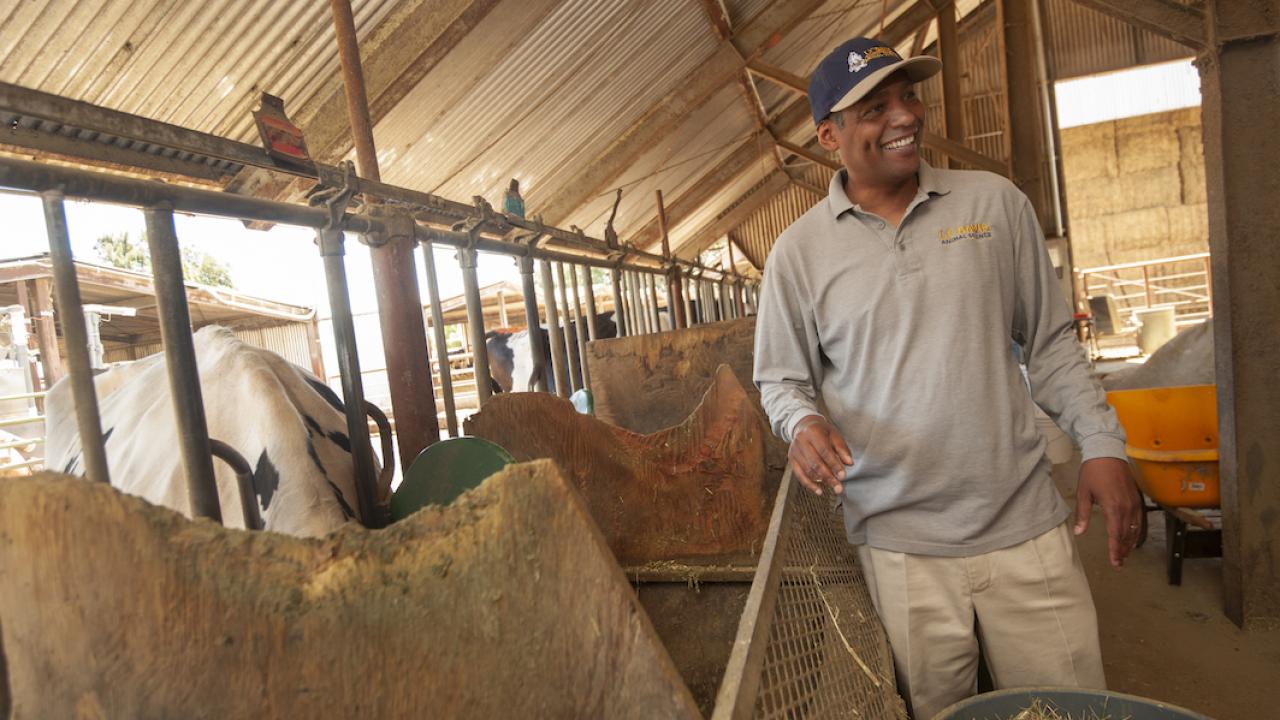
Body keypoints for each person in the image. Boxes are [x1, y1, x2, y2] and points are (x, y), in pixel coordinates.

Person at [752, 37, 1141, 719]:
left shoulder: (993, 205)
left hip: (1025, 527)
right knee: (939, 711)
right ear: (828, 134)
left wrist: (1102, 445)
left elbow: (1049, 343)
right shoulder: (798, 255)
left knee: (1072, 708)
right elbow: (781, 379)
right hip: (902, 546)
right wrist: (803, 421)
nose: (904, 116)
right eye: (874, 108)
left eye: (908, 96)